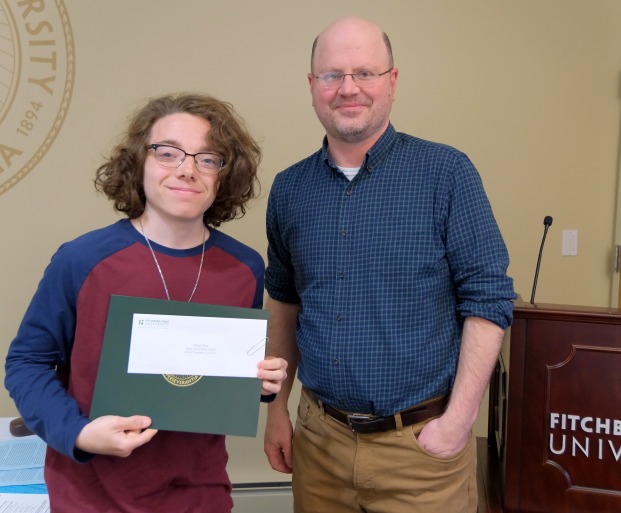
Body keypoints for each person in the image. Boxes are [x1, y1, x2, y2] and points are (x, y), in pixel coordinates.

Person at [263, 16, 515, 513]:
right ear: (313, 87)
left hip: (421, 453)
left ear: (392, 82)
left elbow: (489, 300)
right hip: (319, 446)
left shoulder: (446, 174)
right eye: (332, 75)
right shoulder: (289, 190)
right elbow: (284, 302)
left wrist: (459, 421)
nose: (348, 88)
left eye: (365, 73)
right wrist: (276, 413)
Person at [5, 93, 287, 513]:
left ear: (225, 175)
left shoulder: (244, 268)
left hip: (201, 495)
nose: (187, 170)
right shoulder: (81, 260)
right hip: (91, 496)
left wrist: (259, 383)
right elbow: (26, 363)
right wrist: (79, 435)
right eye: (168, 153)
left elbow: (217, 386)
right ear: (139, 161)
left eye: (208, 159)